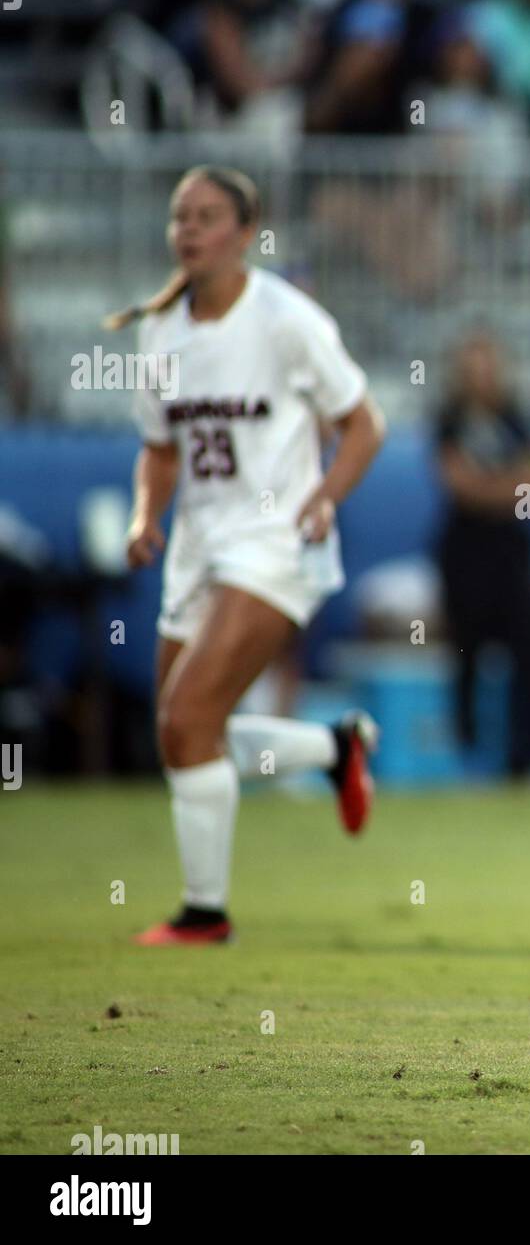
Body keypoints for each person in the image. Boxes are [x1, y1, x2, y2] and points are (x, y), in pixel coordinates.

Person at [111, 166, 385, 946]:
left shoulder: (285, 317)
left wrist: (326, 493)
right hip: (198, 547)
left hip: (275, 543)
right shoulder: (160, 330)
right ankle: (333, 747)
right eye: (179, 217)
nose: (188, 230)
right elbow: (158, 448)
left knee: (190, 716)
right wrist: (144, 516)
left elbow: (364, 424)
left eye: (205, 217)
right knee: (180, 732)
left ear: (244, 233)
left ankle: (205, 913)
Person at [435, 333, 530, 778]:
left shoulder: (517, 418)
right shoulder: (449, 420)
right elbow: (457, 484)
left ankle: (525, 759)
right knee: (465, 656)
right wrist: (508, 488)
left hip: (511, 553)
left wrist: (490, 489)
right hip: (465, 555)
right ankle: (464, 758)